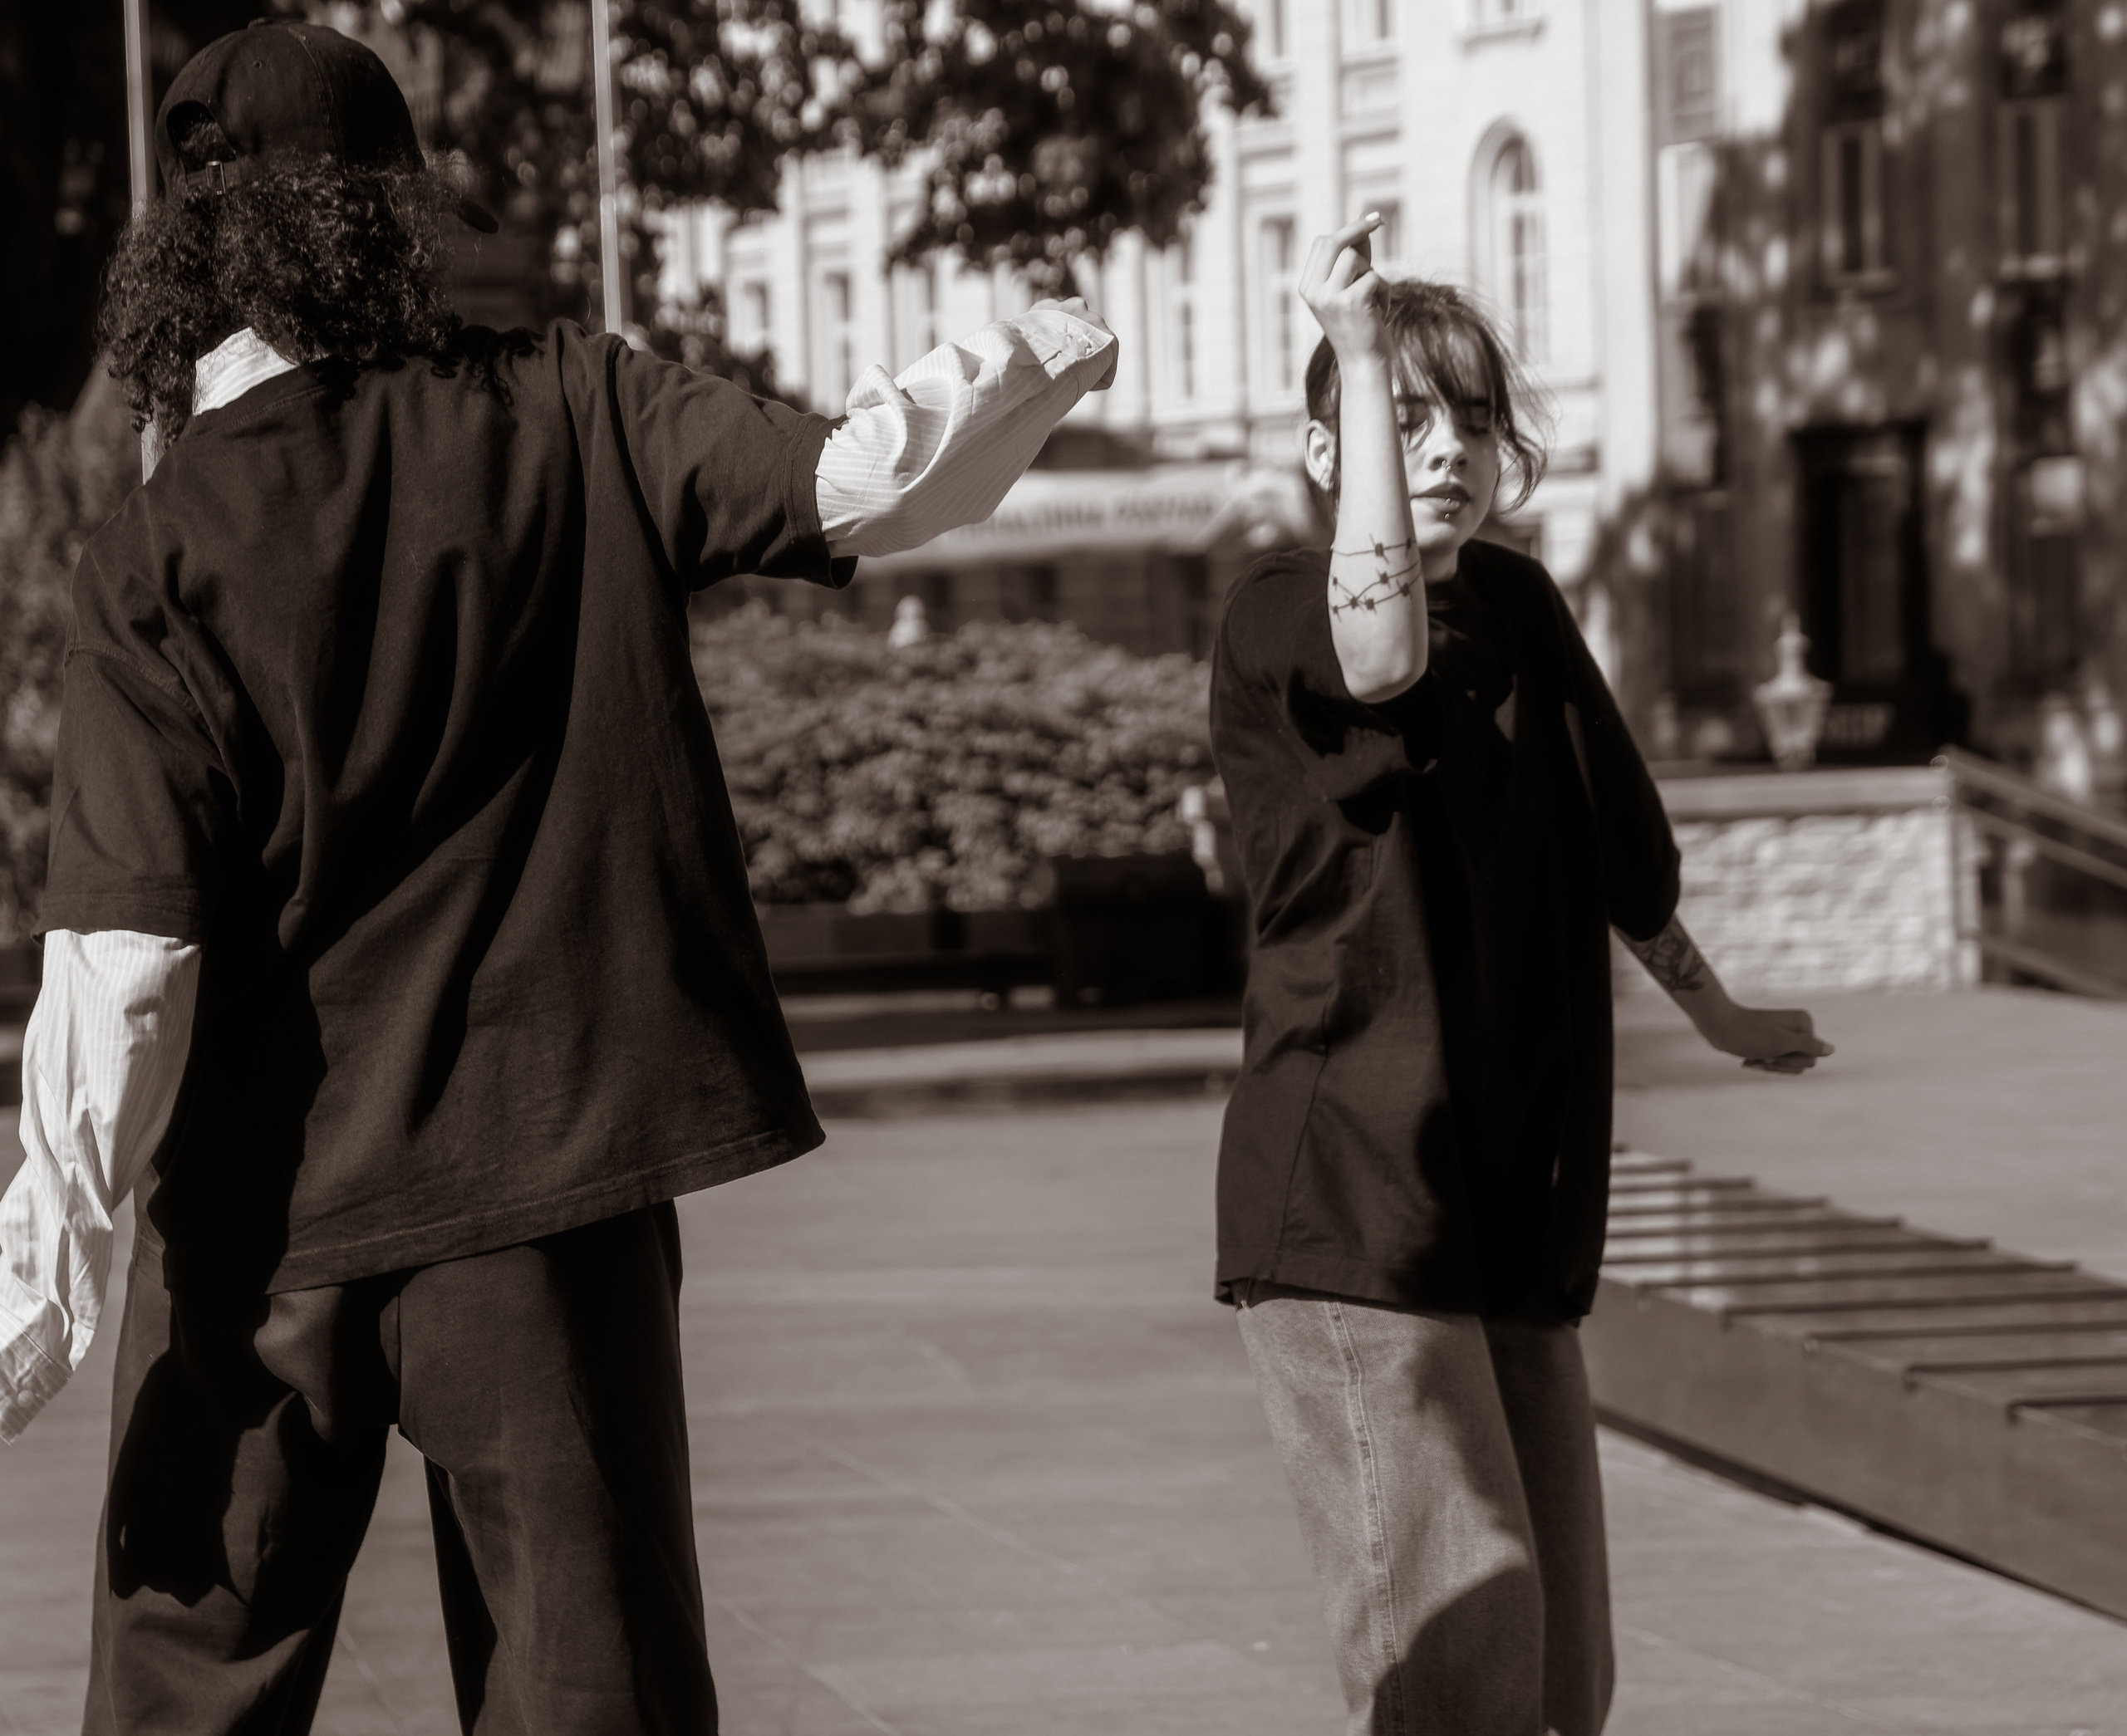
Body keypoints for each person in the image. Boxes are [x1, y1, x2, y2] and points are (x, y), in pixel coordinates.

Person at [0, 19, 1115, 1734]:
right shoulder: (572, 402)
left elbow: (130, 958)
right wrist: (1040, 346)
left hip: (257, 1231)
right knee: (591, 1690)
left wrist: (40, 1288)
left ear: (190, 240)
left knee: (186, 1687)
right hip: (548, 1191)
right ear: (391, 209)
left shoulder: (161, 545)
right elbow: (858, 477)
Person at [1208, 215, 1830, 1736]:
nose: (1448, 450)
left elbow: (1624, 855)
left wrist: (1714, 1006)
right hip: (1355, 1209)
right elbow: (1381, 661)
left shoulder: (1534, 613)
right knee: (1463, 1671)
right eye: (1400, 420)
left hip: (1512, 1215)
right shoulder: (1286, 608)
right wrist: (1361, 341)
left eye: (1473, 419)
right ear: (1324, 441)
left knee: (1563, 1688)